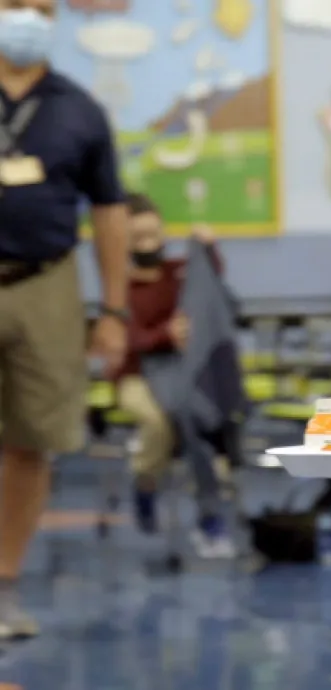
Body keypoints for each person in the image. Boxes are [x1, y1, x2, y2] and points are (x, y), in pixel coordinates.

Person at [0, 0, 128, 640]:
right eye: (14, 5)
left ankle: (5, 588)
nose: (26, 17)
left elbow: (109, 212)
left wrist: (111, 309)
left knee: (32, 438)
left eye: (40, 7)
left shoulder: (79, 108)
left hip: (47, 281)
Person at [116, 192, 234, 558]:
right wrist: (165, 334)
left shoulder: (178, 273)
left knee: (197, 417)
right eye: (139, 238)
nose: (149, 244)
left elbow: (209, 282)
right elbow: (131, 338)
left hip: (183, 372)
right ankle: (146, 482)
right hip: (136, 374)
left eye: (154, 234)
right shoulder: (120, 287)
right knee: (160, 422)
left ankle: (210, 511)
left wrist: (209, 250)